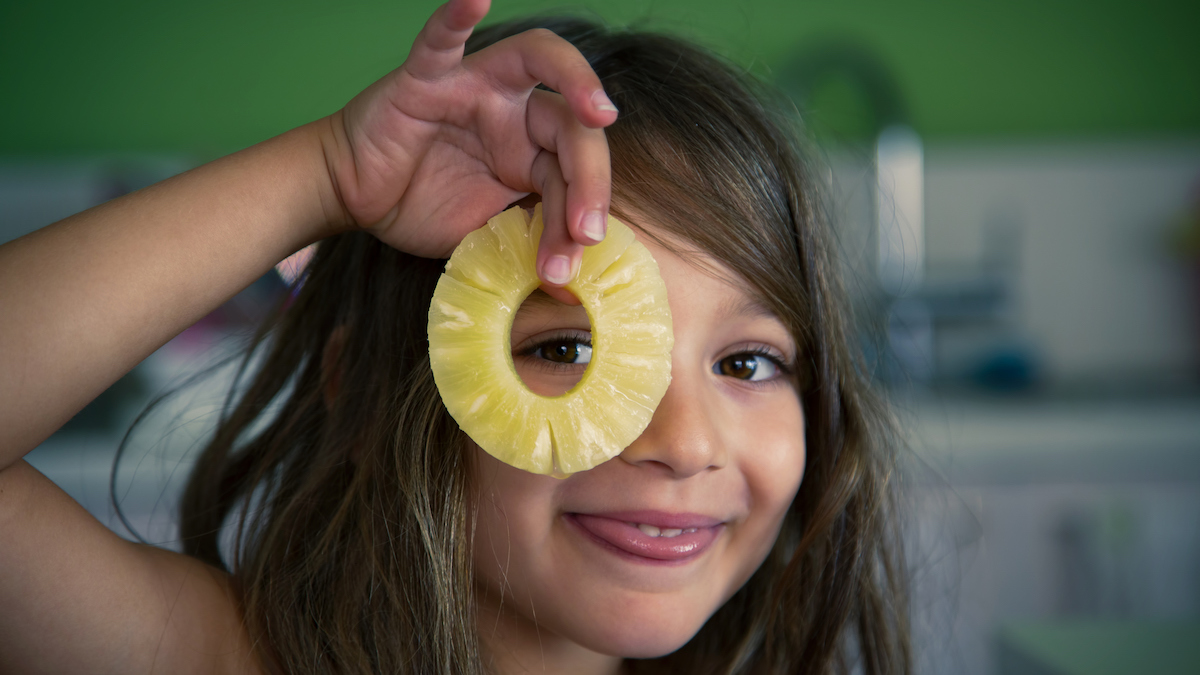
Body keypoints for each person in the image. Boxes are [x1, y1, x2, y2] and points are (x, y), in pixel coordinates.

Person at [0, 0, 909, 672]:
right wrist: (324, 174)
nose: (684, 444)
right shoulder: (221, 657)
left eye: (747, 361)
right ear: (360, 392)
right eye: (564, 346)